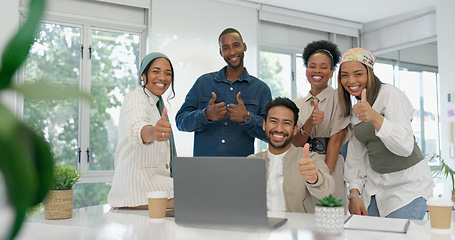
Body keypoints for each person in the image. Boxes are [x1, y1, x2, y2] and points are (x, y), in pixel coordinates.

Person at [338, 48, 434, 219]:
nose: (351, 80)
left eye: (358, 73)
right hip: (376, 186)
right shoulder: (355, 110)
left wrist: (374, 116)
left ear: (370, 72)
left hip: (408, 186)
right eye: (344, 75)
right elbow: (357, 157)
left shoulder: (389, 94)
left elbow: (405, 146)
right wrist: (354, 194)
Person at [175, 28, 272, 156]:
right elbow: (180, 122)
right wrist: (205, 115)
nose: (232, 52)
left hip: (240, 170)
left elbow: (271, 134)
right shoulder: (203, 83)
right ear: (221, 52)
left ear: (244, 47)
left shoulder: (261, 89)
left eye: (236, 45)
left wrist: (247, 118)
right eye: (226, 48)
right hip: (203, 169)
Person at [108, 52, 176, 209]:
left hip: (152, 185)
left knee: (198, 194)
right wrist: (153, 132)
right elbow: (137, 127)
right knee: (196, 198)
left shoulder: (156, 105)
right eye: (156, 71)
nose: (162, 77)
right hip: (135, 191)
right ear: (143, 76)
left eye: (168, 73)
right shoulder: (136, 97)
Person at [249, 97, 334, 213]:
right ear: (264, 125)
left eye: (286, 123)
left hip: (299, 229)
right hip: (261, 228)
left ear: (295, 129)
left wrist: (314, 179)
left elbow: (327, 191)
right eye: (273, 121)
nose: (279, 129)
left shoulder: (310, 159)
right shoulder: (252, 161)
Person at [292, 40, 350, 208]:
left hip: (329, 164)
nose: (317, 71)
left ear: (332, 73)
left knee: (329, 217)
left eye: (324, 67)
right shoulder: (296, 105)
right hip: (304, 165)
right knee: (304, 219)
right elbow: (295, 144)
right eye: (312, 66)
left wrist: (325, 178)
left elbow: (336, 141)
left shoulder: (340, 98)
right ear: (306, 70)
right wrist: (309, 123)